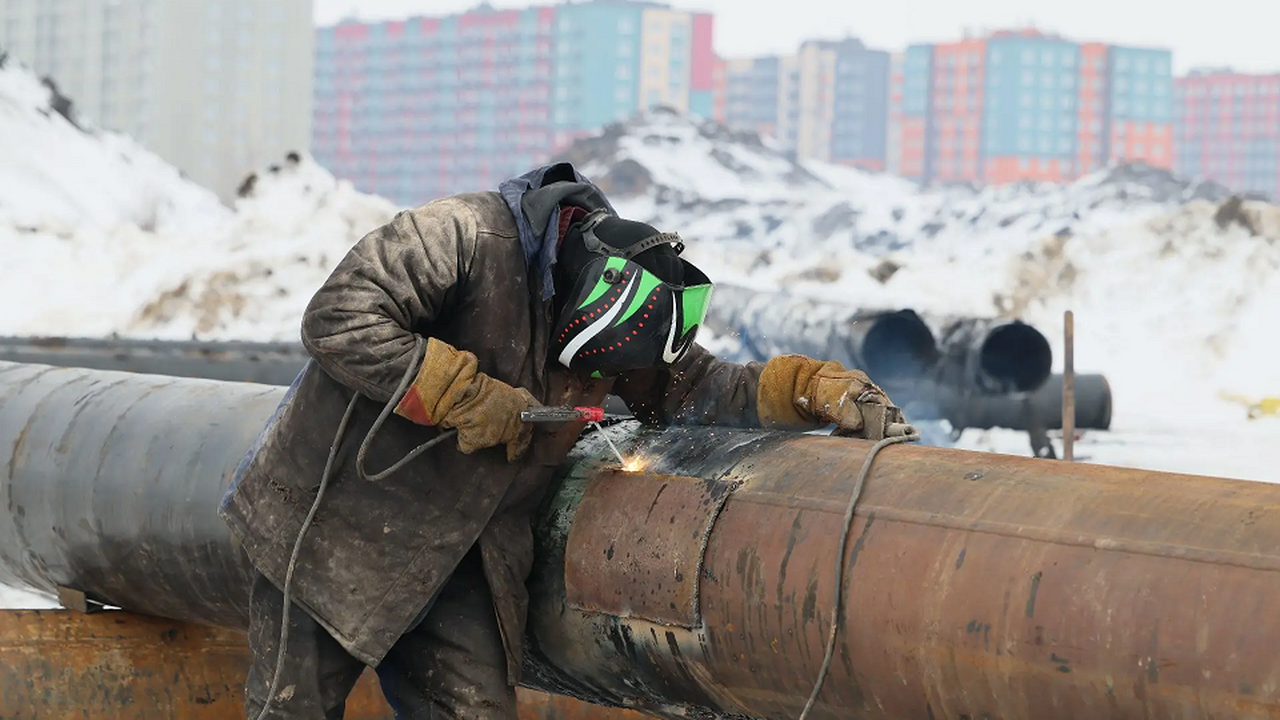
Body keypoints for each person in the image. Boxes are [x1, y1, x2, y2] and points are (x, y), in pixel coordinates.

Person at [218, 162, 907, 720]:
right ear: (584, 295)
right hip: (335, 524)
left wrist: (806, 389)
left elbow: (696, 388)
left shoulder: (625, 315)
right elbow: (340, 316)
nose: (598, 381)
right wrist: (463, 395)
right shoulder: (464, 236)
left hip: (463, 554)